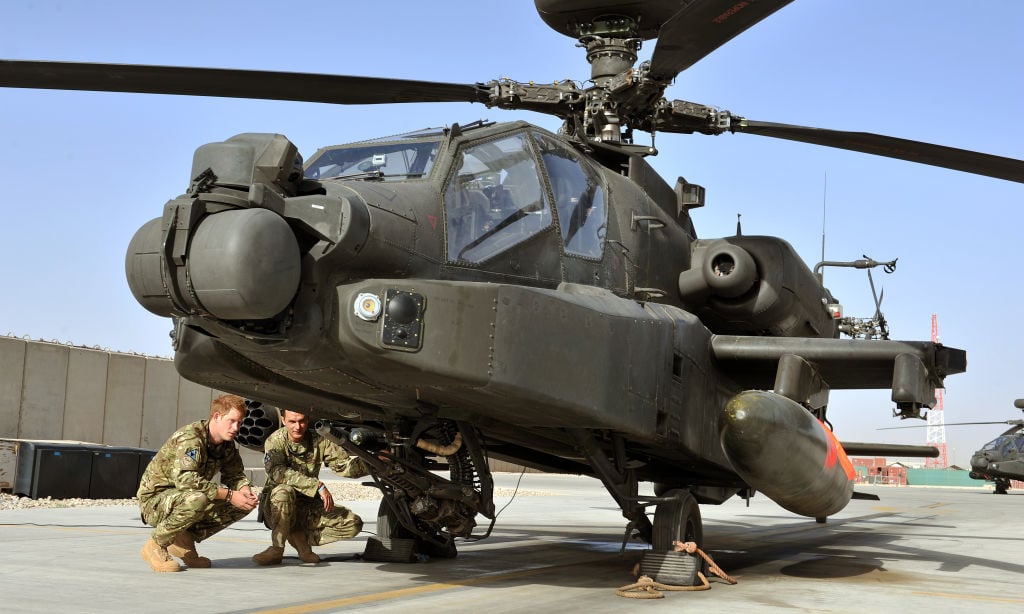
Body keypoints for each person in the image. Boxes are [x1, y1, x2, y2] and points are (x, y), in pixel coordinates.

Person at [137, 394, 259, 572]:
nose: (236, 428)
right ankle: (155, 545)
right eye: (232, 421)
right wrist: (231, 495)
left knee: (243, 505)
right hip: (156, 501)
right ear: (216, 417)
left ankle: (184, 540)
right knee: (198, 499)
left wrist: (244, 491)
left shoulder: (226, 445)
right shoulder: (191, 439)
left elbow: (235, 475)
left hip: (184, 496)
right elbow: (186, 480)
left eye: (239, 423)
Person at [252, 408, 369, 565]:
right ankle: (277, 549)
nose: (297, 427)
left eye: (301, 421)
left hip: (306, 506)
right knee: (283, 492)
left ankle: (299, 538)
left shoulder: (319, 441)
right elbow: (277, 471)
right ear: (283, 420)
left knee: (353, 524)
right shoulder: (275, 441)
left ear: (308, 419)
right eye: (292, 421)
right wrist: (317, 485)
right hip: (275, 507)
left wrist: (372, 463)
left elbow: (344, 466)